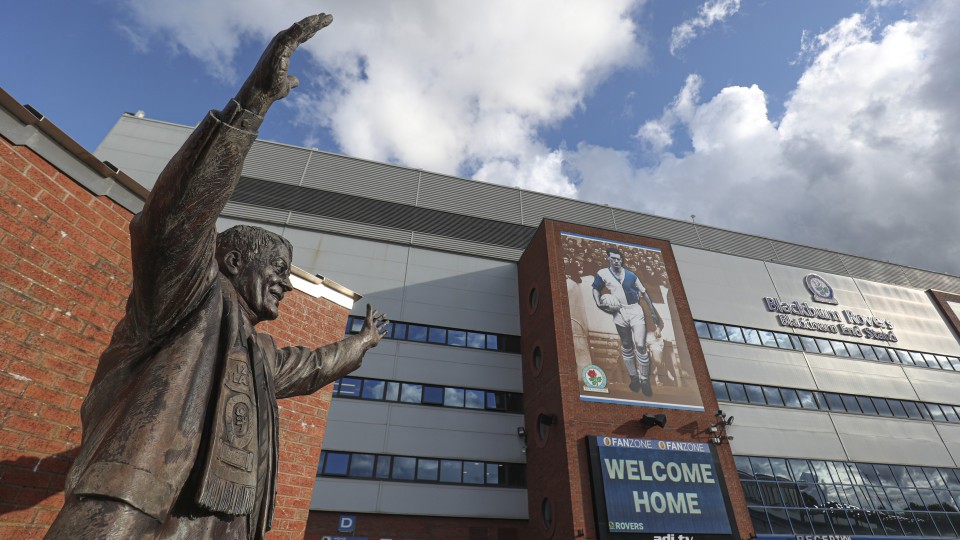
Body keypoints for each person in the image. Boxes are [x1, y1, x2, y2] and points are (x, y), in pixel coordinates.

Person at [46, 14, 387, 539]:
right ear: (232, 261)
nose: (288, 284)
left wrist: (361, 342)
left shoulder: (258, 353)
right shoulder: (185, 296)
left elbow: (315, 364)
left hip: (219, 524)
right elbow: (177, 216)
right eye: (277, 270)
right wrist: (253, 103)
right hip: (141, 508)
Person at [592, 247, 662, 396]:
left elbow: (645, 294)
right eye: (614, 259)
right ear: (609, 259)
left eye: (619, 259)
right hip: (619, 311)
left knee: (641, 345)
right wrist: (598, 302)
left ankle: (644, 380)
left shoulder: (631, 275)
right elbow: (596, 288)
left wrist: (653, 313)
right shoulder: (603, 273)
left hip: (635, 310)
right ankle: (634, 378)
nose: (617, 261)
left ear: (621, 260)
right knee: (626, 344)